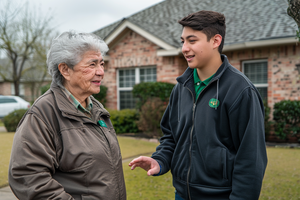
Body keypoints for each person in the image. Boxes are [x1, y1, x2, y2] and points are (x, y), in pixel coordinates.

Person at [129, 10, 267, 200]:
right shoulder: (181, 88)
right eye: (183, 41)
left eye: (192, 41)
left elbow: (251, 158)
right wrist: (160, 160)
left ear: (215, 41)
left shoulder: (241, 91)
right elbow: (171, 137)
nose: (184, 48)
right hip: (182, 194)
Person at [9, 31, 126, 200]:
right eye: (92, 65)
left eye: (101, 63)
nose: (101, 71)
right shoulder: (43, 113)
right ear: (65, 70)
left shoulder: (96, 108)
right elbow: (28, 177)